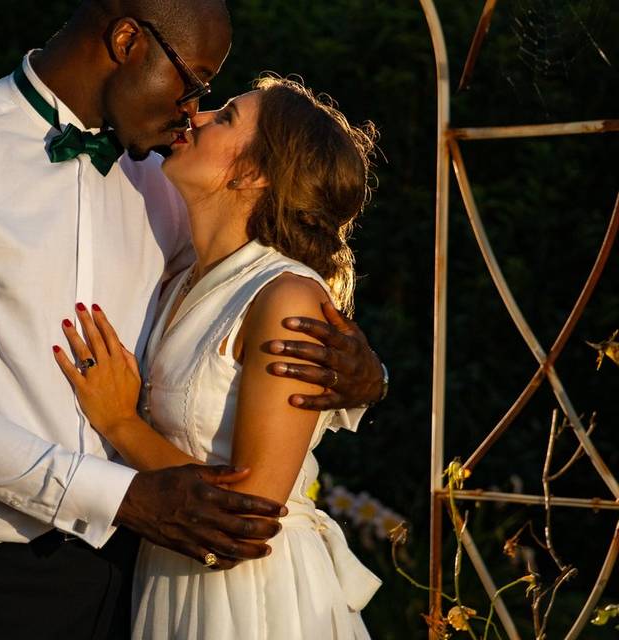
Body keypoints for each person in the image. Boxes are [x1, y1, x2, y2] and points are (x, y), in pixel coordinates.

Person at [0, 0, 387, 638]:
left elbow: (259, 292)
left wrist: (365, 374)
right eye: (192, 82)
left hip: (152, 571)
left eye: (211, 99)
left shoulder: (172, 179)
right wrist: (122, 495)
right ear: (127, 39)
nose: (192, 108)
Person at [54, 77, 382, 639]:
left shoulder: (286, 298)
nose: (198, 118)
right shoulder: (183, 279)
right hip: (170, 574)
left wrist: (120, 423)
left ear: (252, 172)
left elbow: (249, 515)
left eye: (225, 117)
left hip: (255, 600)